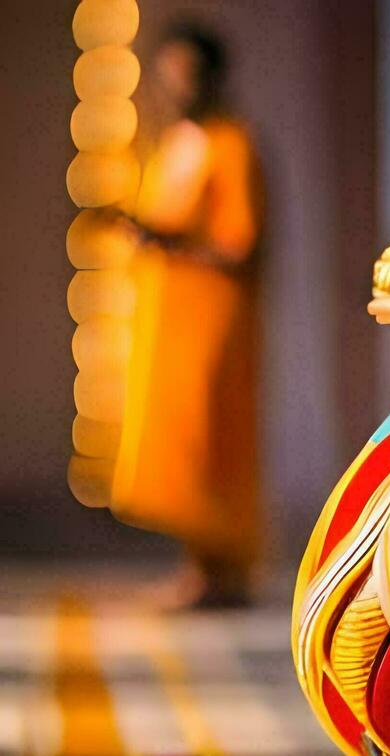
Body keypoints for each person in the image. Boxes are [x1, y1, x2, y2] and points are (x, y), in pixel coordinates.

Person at [115, 21, 263, 604]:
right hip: (170, 321)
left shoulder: (232, 143)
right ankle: (199, 566)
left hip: (214, 319)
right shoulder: (178, 144)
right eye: (169, 75)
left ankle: (226, 571)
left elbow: (241, 243)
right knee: (180, 442)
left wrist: (172, 243)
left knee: (213, 439)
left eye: (189, 74)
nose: (178, 87)